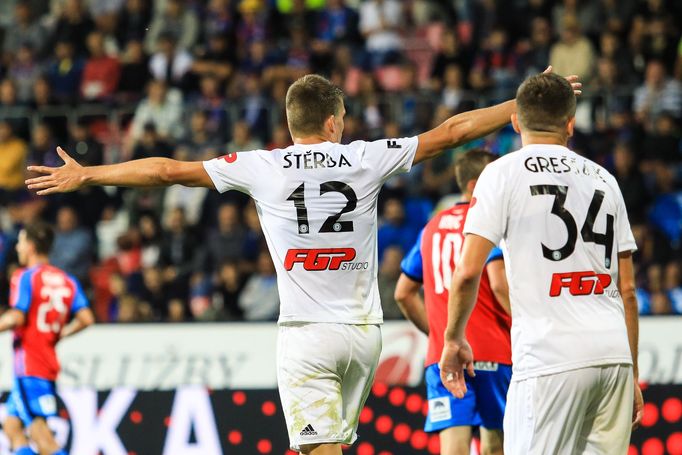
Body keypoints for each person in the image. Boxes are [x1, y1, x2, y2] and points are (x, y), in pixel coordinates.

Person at [25, 72, 580, 455]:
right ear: (335, 121)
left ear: (292, 123)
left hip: (307, 333)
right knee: (333, 441)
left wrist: (92, 174)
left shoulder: (262, 166)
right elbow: (453, 133)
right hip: (364, 335)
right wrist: (520, 108)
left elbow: (168, 171)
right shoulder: (364, 157)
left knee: (320, 446)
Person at [439, 73, 642, 454]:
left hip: (549, 359)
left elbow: (467, 272)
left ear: (516, 120)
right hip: (613, 356)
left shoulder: (500, 174)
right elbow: (627, 291)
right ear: (570, 124)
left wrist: (453, 338)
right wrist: (630, 371)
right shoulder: (606, 180)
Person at [395, 150, 511, 455]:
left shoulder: (431, 227)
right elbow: (499, 284)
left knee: (453, 449)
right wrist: (524, 326)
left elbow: (403, 292)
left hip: (442, 356)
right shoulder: (488, 225)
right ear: (475, 185)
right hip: (492, 350)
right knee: (495, 447)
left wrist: (438, 335)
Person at [0, 222, 95, 455]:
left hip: (30, 364)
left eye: (21, 243)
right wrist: (60, 333)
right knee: (12, 427)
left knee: (42, 437)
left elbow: (17, 317)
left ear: (31, 246)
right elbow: (87, 318)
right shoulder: (67, 280)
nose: (18, 248)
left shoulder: (25, 277)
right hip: (47, 360)